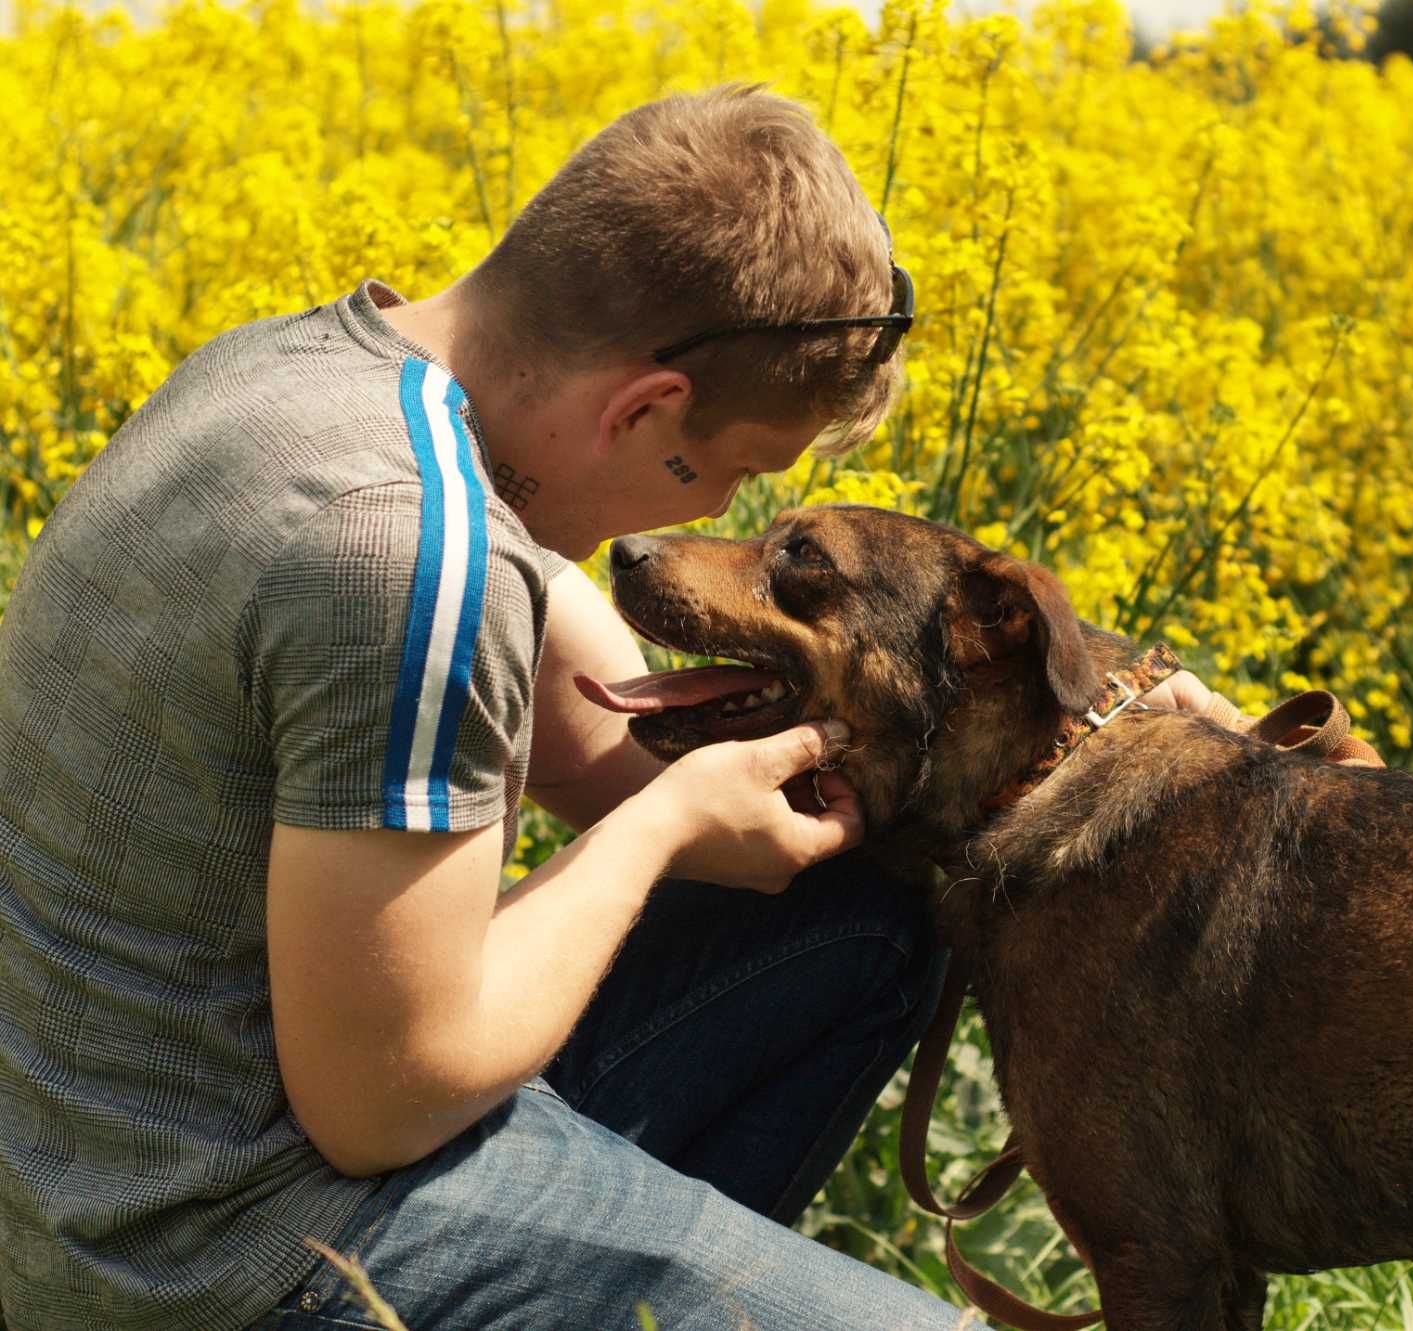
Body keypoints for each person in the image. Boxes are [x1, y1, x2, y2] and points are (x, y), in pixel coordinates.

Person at [0, 85, 1245, 1331]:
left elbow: (598, 717)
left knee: (869, 907)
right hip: (201, 1252)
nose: (699, 524)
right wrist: (653, 837)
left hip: (86, 1164)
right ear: (644, 409)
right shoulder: (414, 556)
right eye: (731, 473)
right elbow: (381, 1099)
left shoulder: (303, 376)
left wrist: (1119, 708)